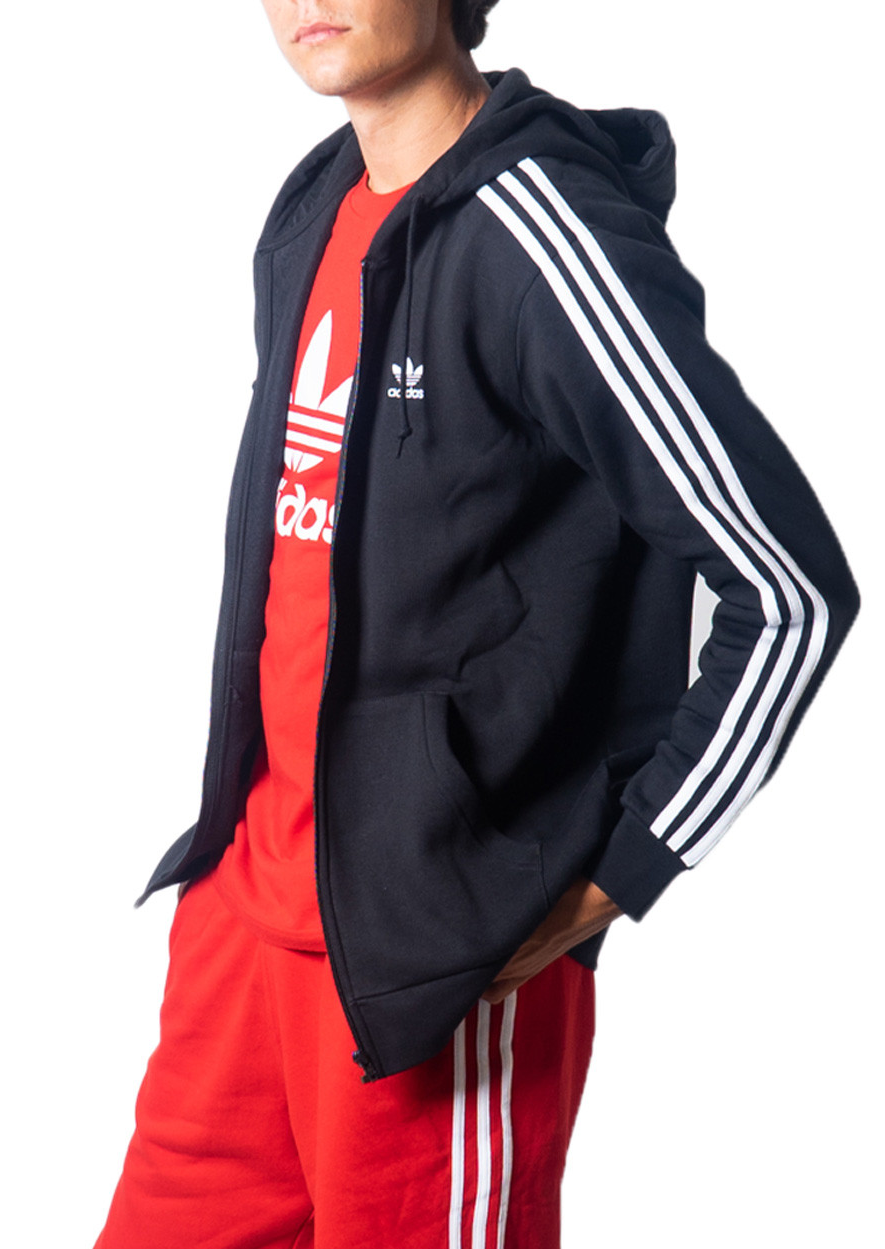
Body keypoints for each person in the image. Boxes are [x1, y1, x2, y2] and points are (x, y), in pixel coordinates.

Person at [94, 2, 859, 1245]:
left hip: (429, 964)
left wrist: (614, 876)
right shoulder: (312, 207)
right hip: (245, 915)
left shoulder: (542, 232)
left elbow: (789, 587)